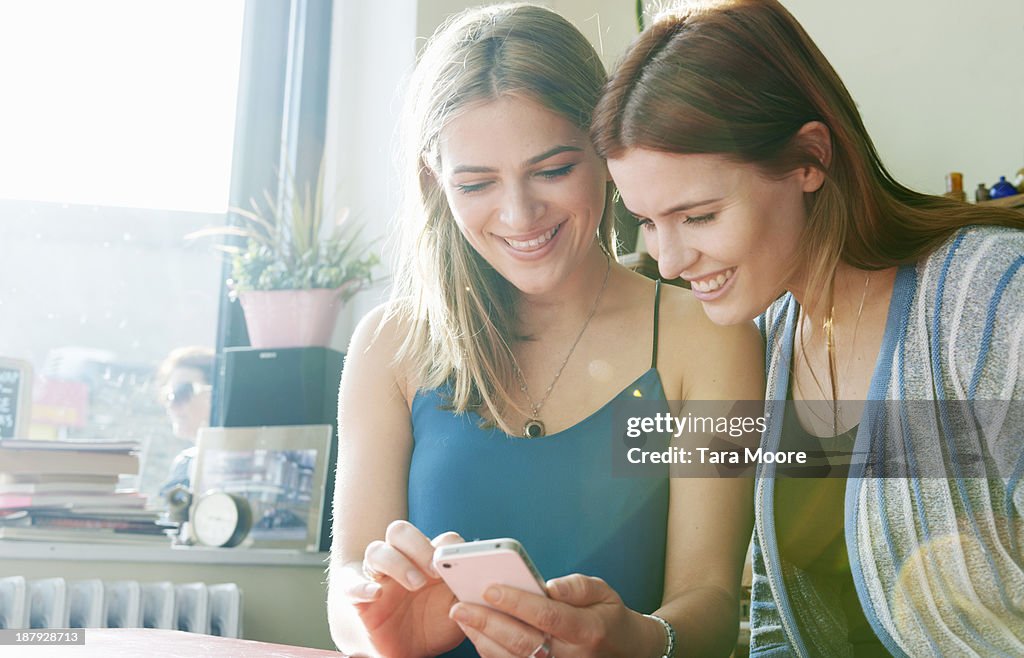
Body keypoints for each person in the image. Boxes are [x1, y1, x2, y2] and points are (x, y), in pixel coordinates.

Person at [326, 4, 764, 657]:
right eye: (475, 184)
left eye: (553, 170)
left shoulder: (708, 339)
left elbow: (709, 602)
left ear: (605, 153)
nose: (519, 214)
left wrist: (639, 642)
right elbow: (348, 582)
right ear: (434, 181)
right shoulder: (389, 345)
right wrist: (376, 631)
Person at [592, 0, 1024, 655]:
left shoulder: (986, 295)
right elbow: (777, 621)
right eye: (647, 222)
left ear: (809, 160)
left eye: (699, 215)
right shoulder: (768, 344)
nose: (671, 261)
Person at [156, 346, 214, 497]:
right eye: (168, 394)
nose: (171, 405)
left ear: (215, 393)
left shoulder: (244, 467)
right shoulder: (184, 465)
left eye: (182, 392)